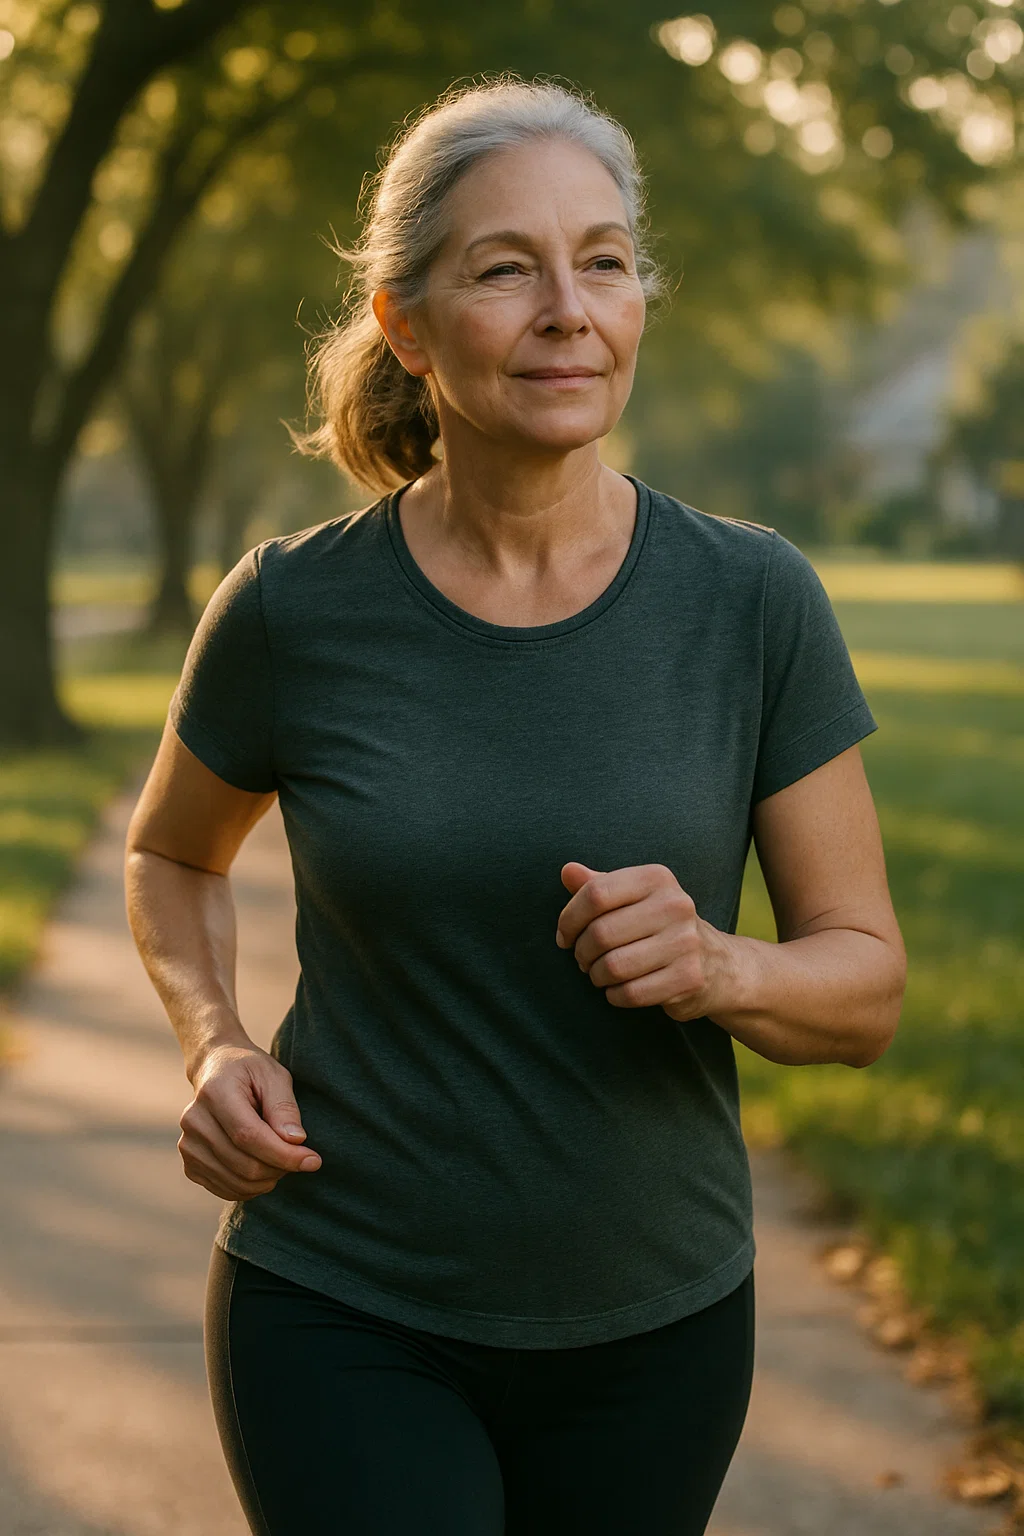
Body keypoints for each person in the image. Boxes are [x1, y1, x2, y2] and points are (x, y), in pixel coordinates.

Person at [124, 76, 906, 1536]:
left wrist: (719, 966)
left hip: (656, 1325)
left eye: (603, 260)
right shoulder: (295, 609)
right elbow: (172, 853)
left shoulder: (752, 601)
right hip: (342, 1300)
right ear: (408, 326)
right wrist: (212, 1044)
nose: (569, 308)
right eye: (507, 268)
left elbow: (864, 990)